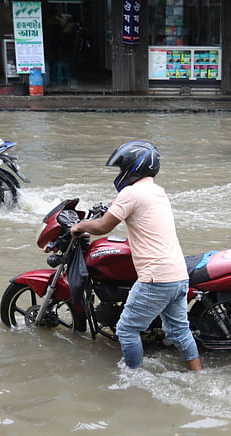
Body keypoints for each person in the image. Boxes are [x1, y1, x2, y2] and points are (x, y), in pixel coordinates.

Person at [69, 141, 202, 372]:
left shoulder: (131, 193)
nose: (120, 174)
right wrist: (114, 206)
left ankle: (134, 379)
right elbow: (137, 212)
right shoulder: (156, 191)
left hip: (155, 278)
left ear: (133, 167)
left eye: (122, 168)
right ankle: (199, 375)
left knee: (127, 330)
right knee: (180, 332)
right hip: (178, 275)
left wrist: (79, 226)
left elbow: (103, 226)